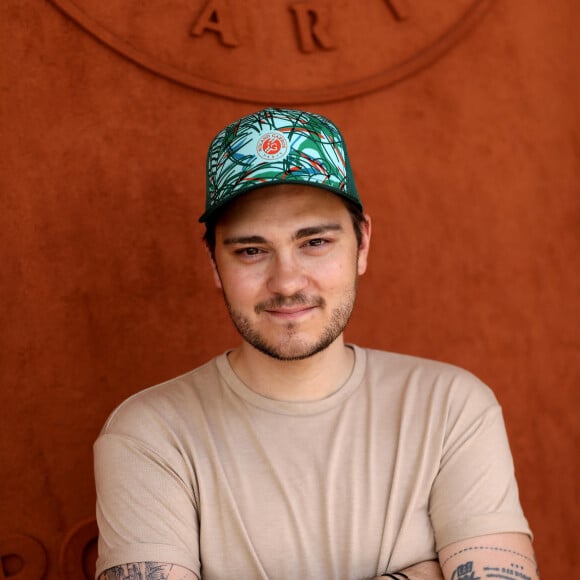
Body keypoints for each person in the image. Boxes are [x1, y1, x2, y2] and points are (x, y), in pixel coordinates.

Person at [94, 108, 537, 580]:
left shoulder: (450, 407)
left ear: (362, 243)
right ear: (214, 264)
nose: (286, 282)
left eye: (315, 242)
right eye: (251, 250)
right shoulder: (149, 435)